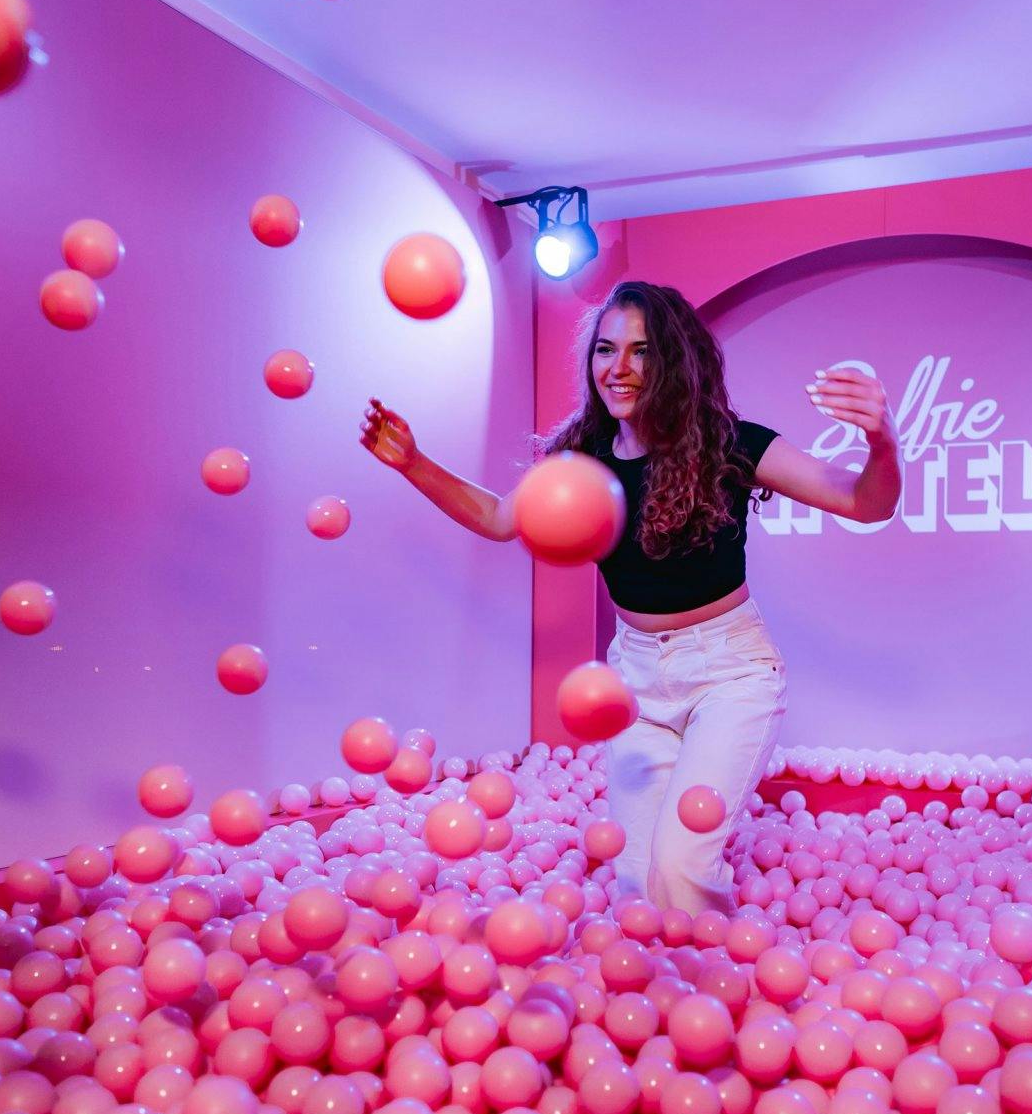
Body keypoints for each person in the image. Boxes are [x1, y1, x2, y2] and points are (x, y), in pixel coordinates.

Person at [360, 279, 901, 917]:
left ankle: (712, 970)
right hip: (635, 682)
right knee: (637, 886)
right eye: (605, 349)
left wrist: (883, 441)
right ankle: (671, 974)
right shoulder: (581, 456)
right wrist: (414, 462)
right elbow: (500, 518)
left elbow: (865, 502)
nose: (618, 368)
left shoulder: (729, 442)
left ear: (673, 360)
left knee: (680, 869)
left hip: (730, 675)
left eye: (641, 351)